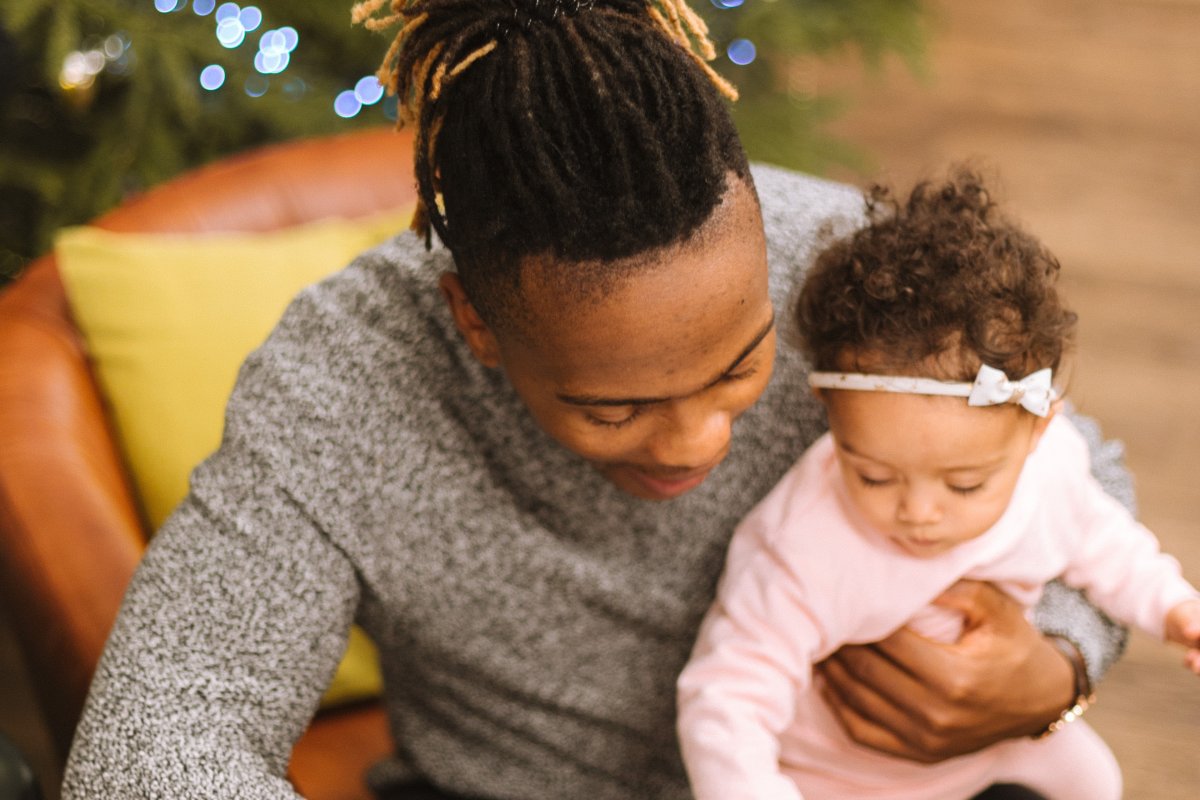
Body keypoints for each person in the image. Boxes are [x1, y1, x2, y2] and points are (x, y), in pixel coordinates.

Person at [62, 2, 1129, 798]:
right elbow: (153, 738)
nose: (702, 438)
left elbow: (1081, 470)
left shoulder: (852, 274)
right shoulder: (342, 378)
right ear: (474, 322)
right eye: (614, 408)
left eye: (741, 364)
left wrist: (1057, 669)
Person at [676, 170, 1200, 800]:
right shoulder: (799, 541)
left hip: (994, 746)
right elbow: (728, 698)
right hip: (837, 777)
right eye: (872, 474)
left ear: (1038, 432)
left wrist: (1175, 608)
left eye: (966, 485)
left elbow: (1109, 544)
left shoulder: (1053, 469)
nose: (919, 513)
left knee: (1094, 779)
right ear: (829, 415)